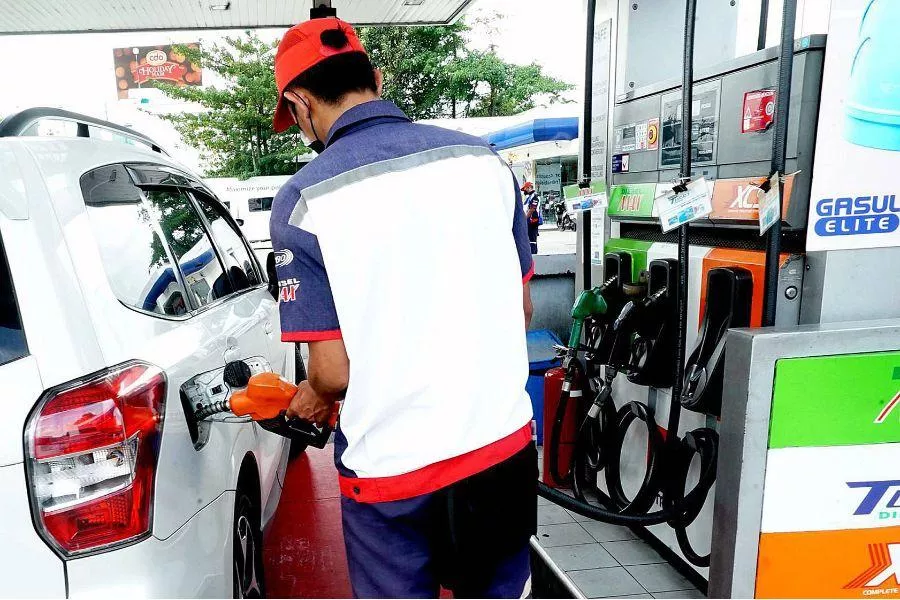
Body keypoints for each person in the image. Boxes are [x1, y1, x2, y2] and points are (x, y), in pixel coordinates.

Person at [269, 17, 537, 599]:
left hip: (394, 473)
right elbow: (519, 310)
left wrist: (312, 396)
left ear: (299, 103)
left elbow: (332, 373)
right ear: (377, 77)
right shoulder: (485, 164)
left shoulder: (304, 200)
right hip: (501, 446)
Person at [521, 181, 541, 254]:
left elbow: (532, 209)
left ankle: (533, 253)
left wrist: (525, 218)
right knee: (529, 237)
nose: (524, 191)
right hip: (529, 220)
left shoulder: (534, 196)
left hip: (533, 220)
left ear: (529, 188)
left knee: (532, 238)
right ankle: (531, 252)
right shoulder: (529, 197)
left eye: (525, 189)